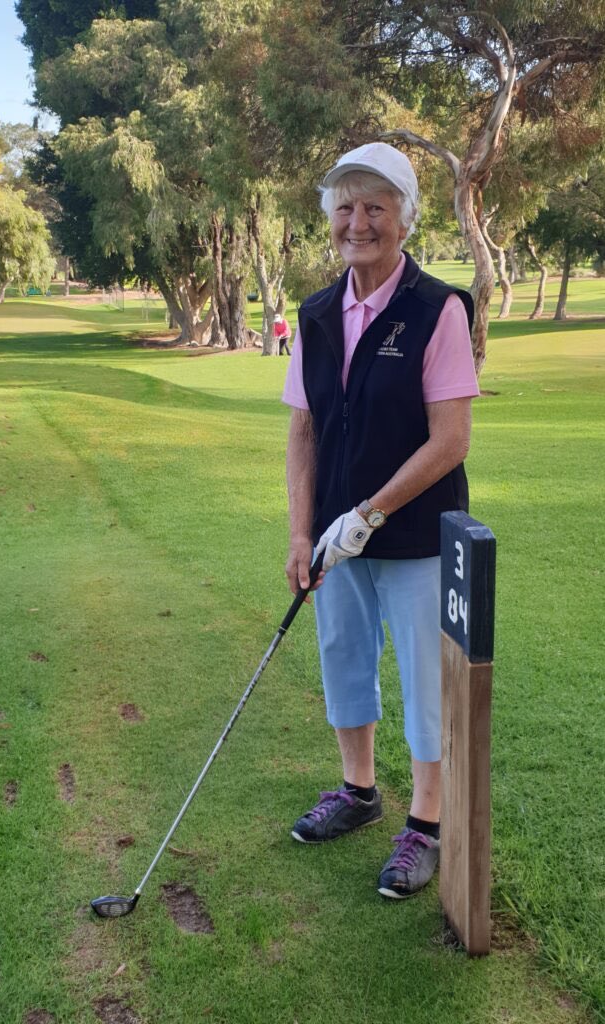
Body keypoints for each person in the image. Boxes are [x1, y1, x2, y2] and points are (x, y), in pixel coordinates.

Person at [282, 142, 480, 900]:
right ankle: (358, 793)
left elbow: (449, 438)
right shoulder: (315, 312)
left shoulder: (437, 308)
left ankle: (423, 824)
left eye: (374, 206)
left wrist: (369, 512)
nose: (356, 222)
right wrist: (304, 533)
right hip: (334, 538)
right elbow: (302, 431)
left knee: (424, 679)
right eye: (344, 206)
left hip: (414, 534)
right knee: (342, 657)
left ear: (404, 218)